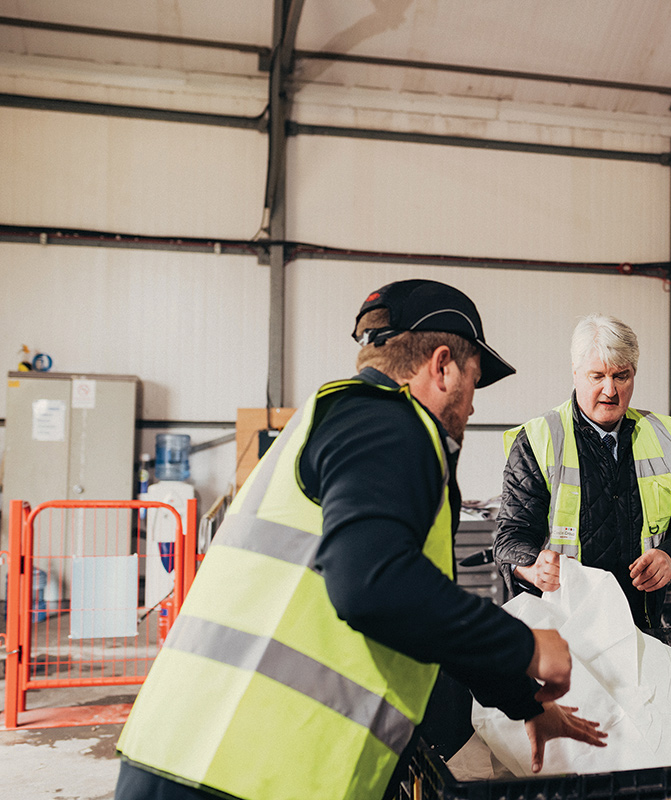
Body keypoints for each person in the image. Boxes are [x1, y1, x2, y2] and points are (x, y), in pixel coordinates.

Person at [115, 280, 605, 800]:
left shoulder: (337, 421)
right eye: (473, 382)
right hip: (247, 772)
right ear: (441, 366)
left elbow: (415, 615)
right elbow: (374, 587)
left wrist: (523, 701)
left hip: (204, 755)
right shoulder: (388, 425)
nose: (473, 408)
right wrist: (525, 645)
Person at [493, 314, 671, 630]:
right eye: (597, 376)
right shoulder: (538, 440)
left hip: (640, 625)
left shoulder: (662, 437)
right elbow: (510, 536)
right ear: (575, 374)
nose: (610, 390)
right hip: (562, 629)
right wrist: (529, 567)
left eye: (621, 376)